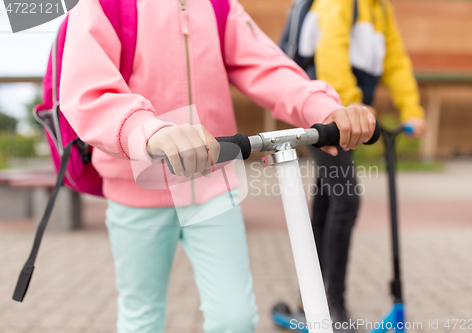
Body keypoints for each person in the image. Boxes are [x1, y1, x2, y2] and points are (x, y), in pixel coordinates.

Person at [59, 0, 377, 332]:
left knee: (235, 319)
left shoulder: (218, 6)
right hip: (136, 184)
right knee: (141, 315)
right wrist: (150, 132)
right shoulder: (104, 5)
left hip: (212, 179)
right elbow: (88, 90)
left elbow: (266, 66)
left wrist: (322, 106)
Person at [297, 0, 427, 331]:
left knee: (327, 205)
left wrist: (411, 108)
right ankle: (331, 302)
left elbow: (395, 61)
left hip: (350, 119)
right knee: (346, 200)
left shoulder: (380, 9)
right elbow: (331, 50)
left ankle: (310, 298)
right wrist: (350, 103)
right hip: (327, 113)